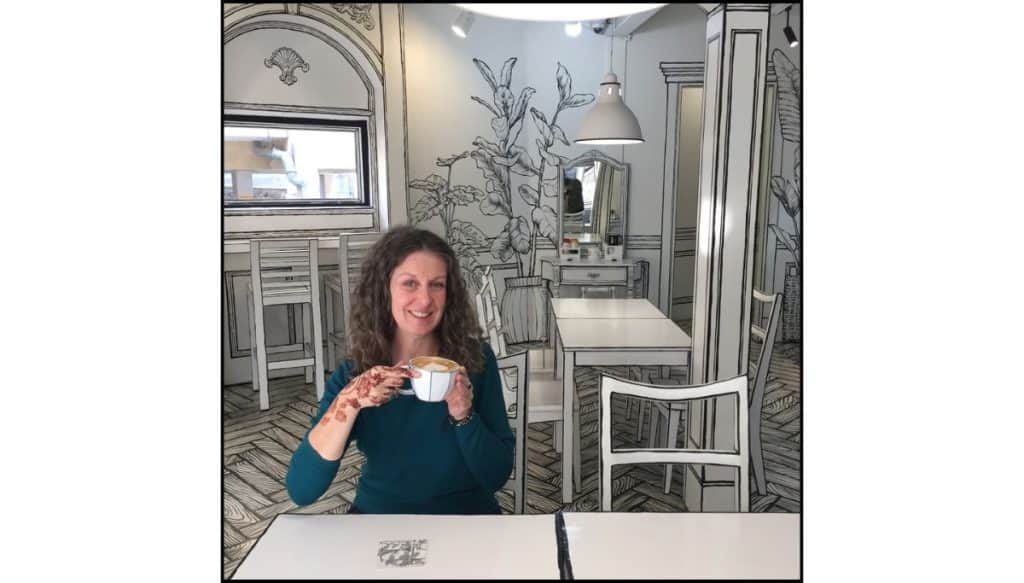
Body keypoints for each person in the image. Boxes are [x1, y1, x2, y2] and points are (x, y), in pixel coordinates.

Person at [285, 225, 514, 514]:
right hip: (381, 516)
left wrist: (464, 416)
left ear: (449, 293)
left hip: (466, 518)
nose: (425, 299)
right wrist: (350, 400)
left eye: (437, 284)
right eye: (409, 283)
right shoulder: (357, 372)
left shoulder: (475, 360)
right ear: (384, 289)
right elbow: (301, 489)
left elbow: (497, 475)